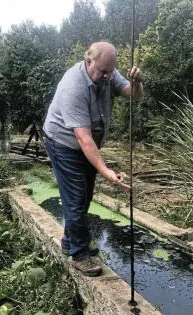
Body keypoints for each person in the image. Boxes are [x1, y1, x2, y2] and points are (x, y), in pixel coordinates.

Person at [43, 41, 144, 277]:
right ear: (89, 61)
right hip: (64, 143)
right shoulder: (73, 86)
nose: (108, 77)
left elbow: (134, 96)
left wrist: (137, 81)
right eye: (103, 72)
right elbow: (83, 137)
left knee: (85, 194)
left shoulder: (108, 72)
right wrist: (106, 171)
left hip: (86, 144)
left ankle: (70, 241)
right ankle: (80, 254)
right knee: (76, 196)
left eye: (111, 71)